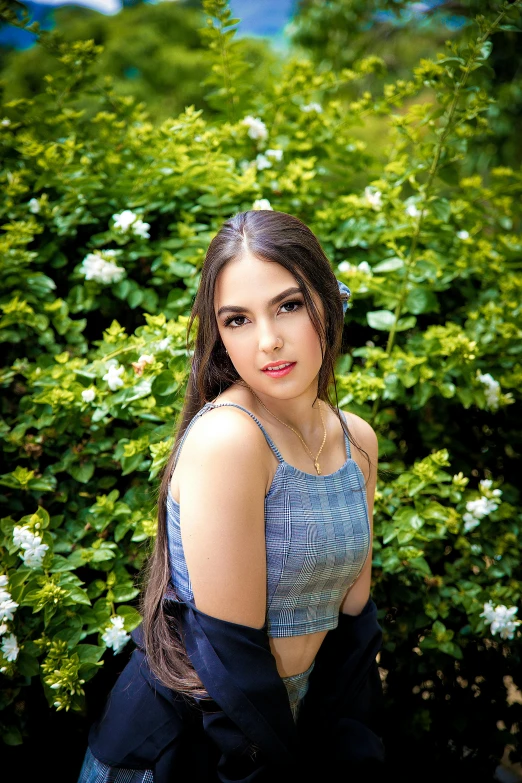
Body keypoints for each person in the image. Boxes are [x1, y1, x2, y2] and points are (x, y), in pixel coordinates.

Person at [77, 209, 385, 783]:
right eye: (237, 319)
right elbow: (230, 667)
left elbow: (353, 633)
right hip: (195, 750)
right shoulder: (230, 438)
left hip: (291, 736)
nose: (268, 340)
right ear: (218, 333)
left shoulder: (357, 442)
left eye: (288, 305)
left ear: (328, 300)